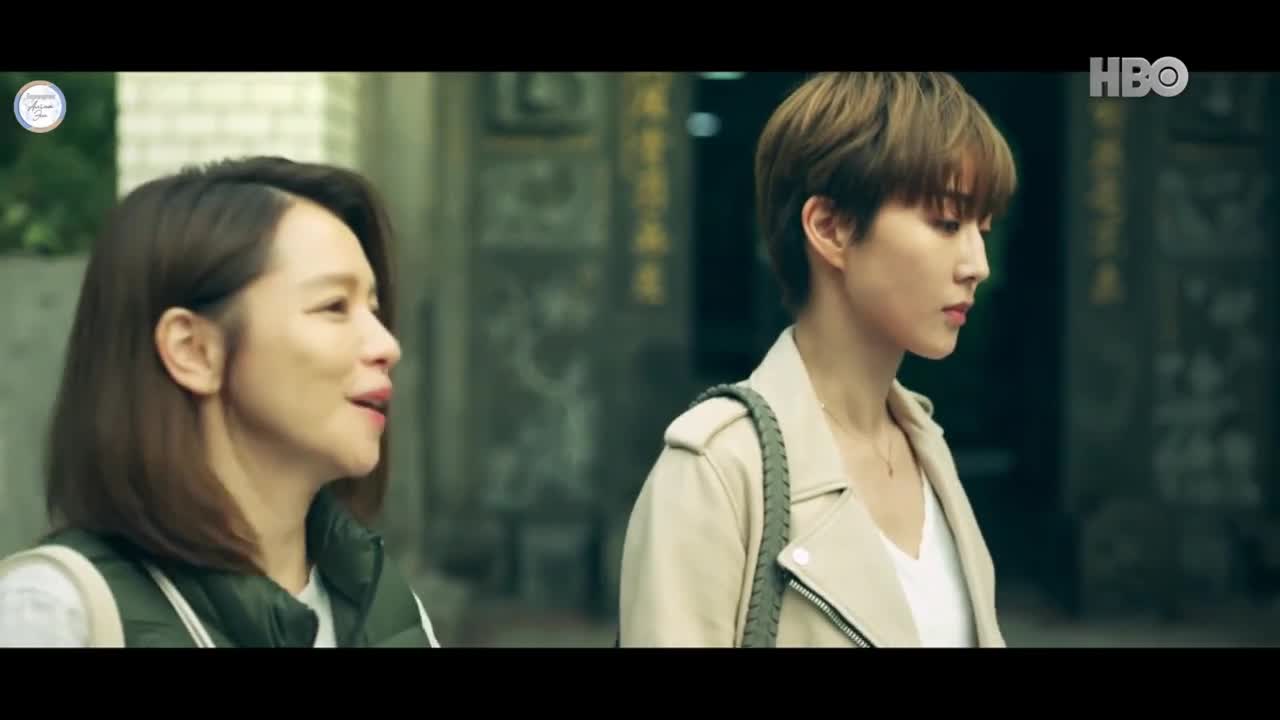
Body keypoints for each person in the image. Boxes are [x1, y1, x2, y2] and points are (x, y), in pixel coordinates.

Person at [617, 72, 1016, 647]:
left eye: (982, 228)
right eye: (947, 223)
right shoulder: (717, 472)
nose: (977, 264)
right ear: (830, 228)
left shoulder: (927, 448)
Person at [0, 156, 440, 648]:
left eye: (374, 310)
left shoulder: (386, 609)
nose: (387, 346)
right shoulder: (53, 615)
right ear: (193, 351)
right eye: (334, 306)